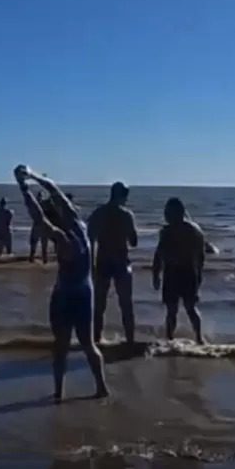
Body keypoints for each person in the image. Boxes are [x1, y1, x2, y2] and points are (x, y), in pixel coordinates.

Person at [14, 164, 109, 401]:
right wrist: (33, 175)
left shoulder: (63, 239)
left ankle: (59, 391)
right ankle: (101, 387)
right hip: (86, 292)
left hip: (67, 295)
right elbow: (55, 192)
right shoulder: (81, 227)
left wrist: (23, 187)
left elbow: (39, 218)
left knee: (61, 346)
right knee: (88, 344)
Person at [88, 182, 138, 345]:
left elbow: (90, 240)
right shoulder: (126, 215)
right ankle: (130, 340)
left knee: (99, 305)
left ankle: (96, 339)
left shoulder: (98, 213)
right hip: (121, 262)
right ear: (123, 196)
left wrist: (90, 265)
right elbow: (133, 242)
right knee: (126, 304)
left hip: (102, 261)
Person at [152, 197, 207, 345]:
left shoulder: (190, 230)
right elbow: (159, 255)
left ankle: (198, 338)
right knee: (174, 310)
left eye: (168, 213)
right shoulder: (171, 230)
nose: (166, 216)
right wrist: (156, 274)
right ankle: (171, 338)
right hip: (178, 273)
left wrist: (156, 274)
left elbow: (200, 255)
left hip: (185, 272)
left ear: (178, 213)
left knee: (188, 308)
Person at [29, 191, 51, 264]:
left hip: (39, 226)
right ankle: (43, 261)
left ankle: (34, 259)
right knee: (41, 245)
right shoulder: (44, 204)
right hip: (42, 226)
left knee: (36, 244)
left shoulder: (36, 205)